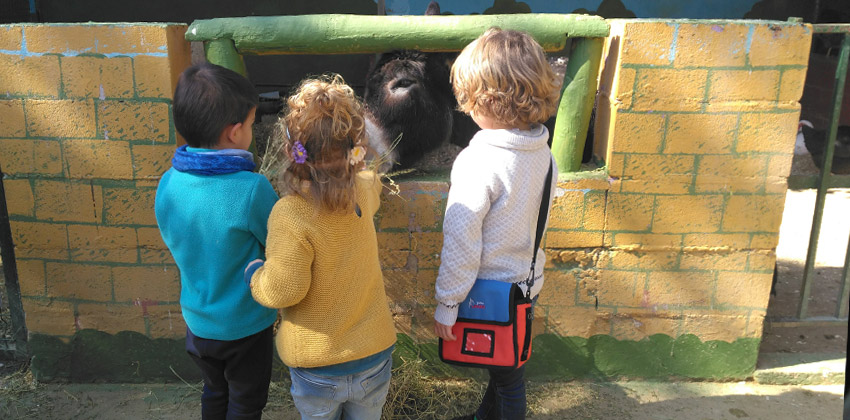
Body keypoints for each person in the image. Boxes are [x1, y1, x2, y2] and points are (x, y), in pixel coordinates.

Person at [246, 75, 397, 420]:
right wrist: (356, 169)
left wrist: (256, 277)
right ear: (356, 149)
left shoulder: (290, 213)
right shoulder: (363, 191)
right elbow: (372, 180)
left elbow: (284, 290)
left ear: (291, 151)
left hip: (318, 367)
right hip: (374, 356)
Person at [432, 28, 560, 420]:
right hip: (525, 285)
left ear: (487, 99)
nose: (466, 107)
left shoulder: (478, 161)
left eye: (469, 98)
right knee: (504, 363)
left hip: (487, 294)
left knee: (509, 382)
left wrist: (448, 303)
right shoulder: (545, 154)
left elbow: (461, 238)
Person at [155, 62, 279, 419]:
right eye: (252, 125)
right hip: (244, 326)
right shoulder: (252, 189)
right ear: (235, 133)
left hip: (198, 323)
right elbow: (279, 240)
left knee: (214, 390)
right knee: (245, 401)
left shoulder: (168, 181)